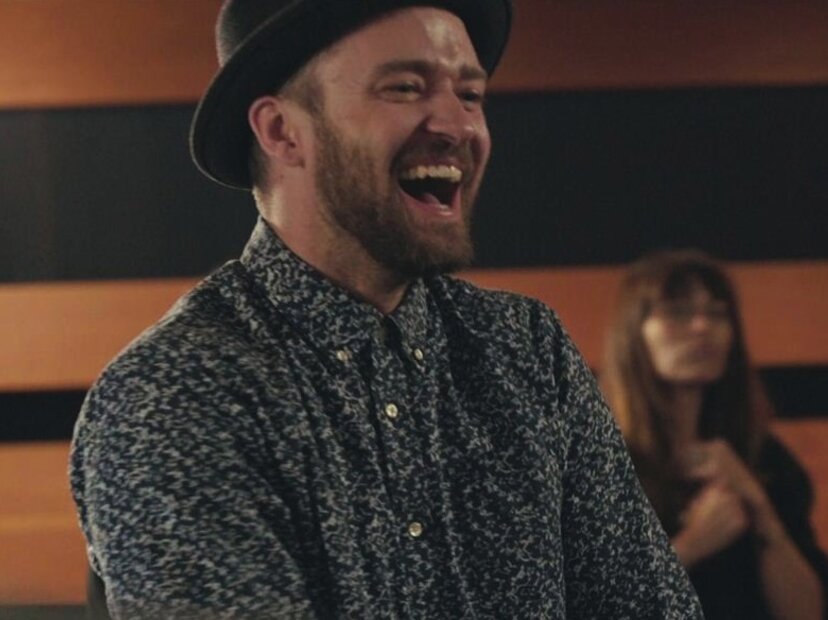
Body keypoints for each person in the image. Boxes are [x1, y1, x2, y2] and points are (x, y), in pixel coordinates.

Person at [70, 1, 703, 618]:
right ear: (282, 132)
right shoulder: (175, 391)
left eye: (470, 95)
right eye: (404, 88)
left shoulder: (528, 348)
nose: (457, 125)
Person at [601, 249, 828, 620]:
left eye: (718, 314)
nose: (702, 327)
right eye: (678, 312)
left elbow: (808, 612)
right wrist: (692, 545)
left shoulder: (763, 456)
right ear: (634, 332)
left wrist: (761, 512)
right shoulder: (595, 463)